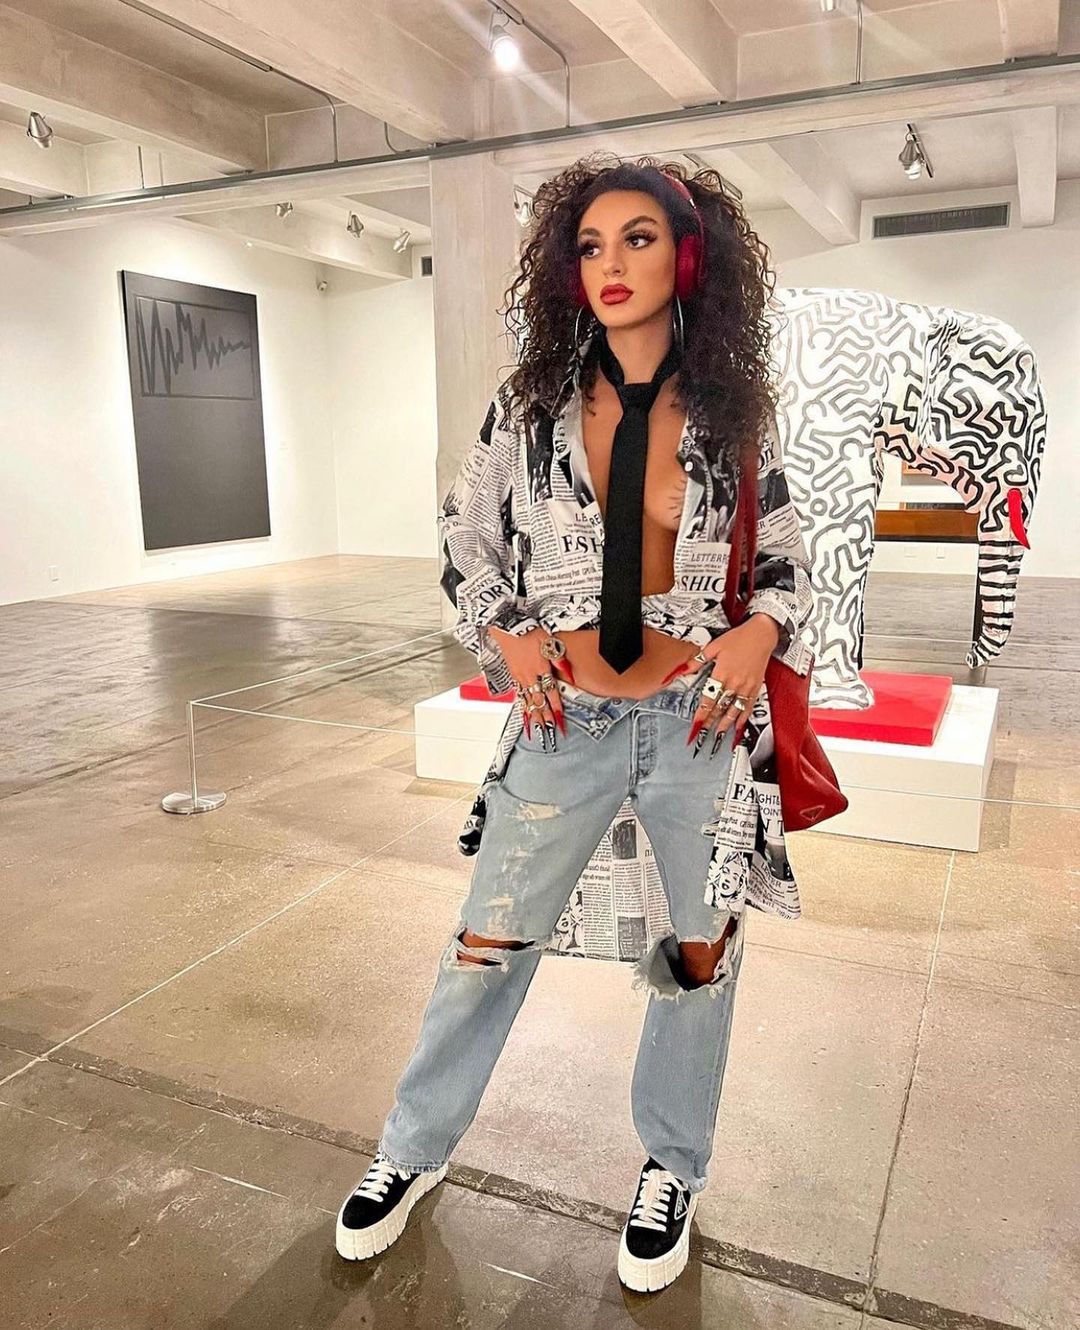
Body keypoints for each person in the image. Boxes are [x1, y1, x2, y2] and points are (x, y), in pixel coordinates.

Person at [335, 154, 813, 1294]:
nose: (611, 265)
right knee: (487, 944)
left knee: (699, 956)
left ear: (687, 258)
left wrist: (761, 631)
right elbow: (465, 543)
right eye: (590, 245)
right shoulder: (527, 410)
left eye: (637, 239)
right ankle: (413, 1146)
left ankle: (671, 1167)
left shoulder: (736, 417)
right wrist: (504, 632)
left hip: (697, 725)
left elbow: (788, 563)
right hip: (565, 723)